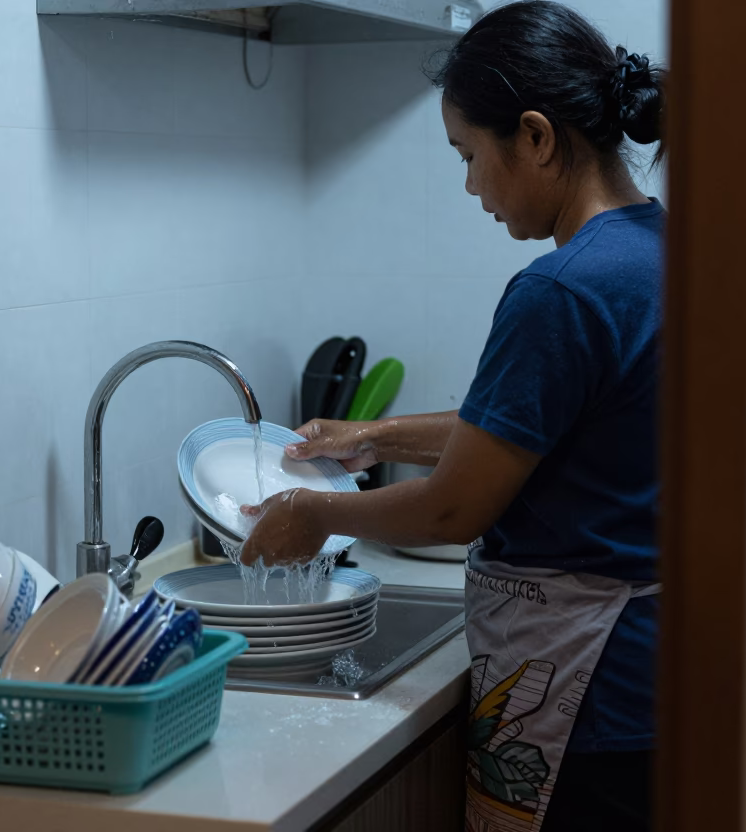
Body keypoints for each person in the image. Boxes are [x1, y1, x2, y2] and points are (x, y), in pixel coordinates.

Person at [239, 3, 667, 830]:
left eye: (469, 155)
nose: (472, 186)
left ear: (536, 137)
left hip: (584, 691)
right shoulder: (660, 249)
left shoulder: (561, 290)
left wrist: (312, 514)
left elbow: (451, 509)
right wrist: (374, 436)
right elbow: (534, 423)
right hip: (655, 673)